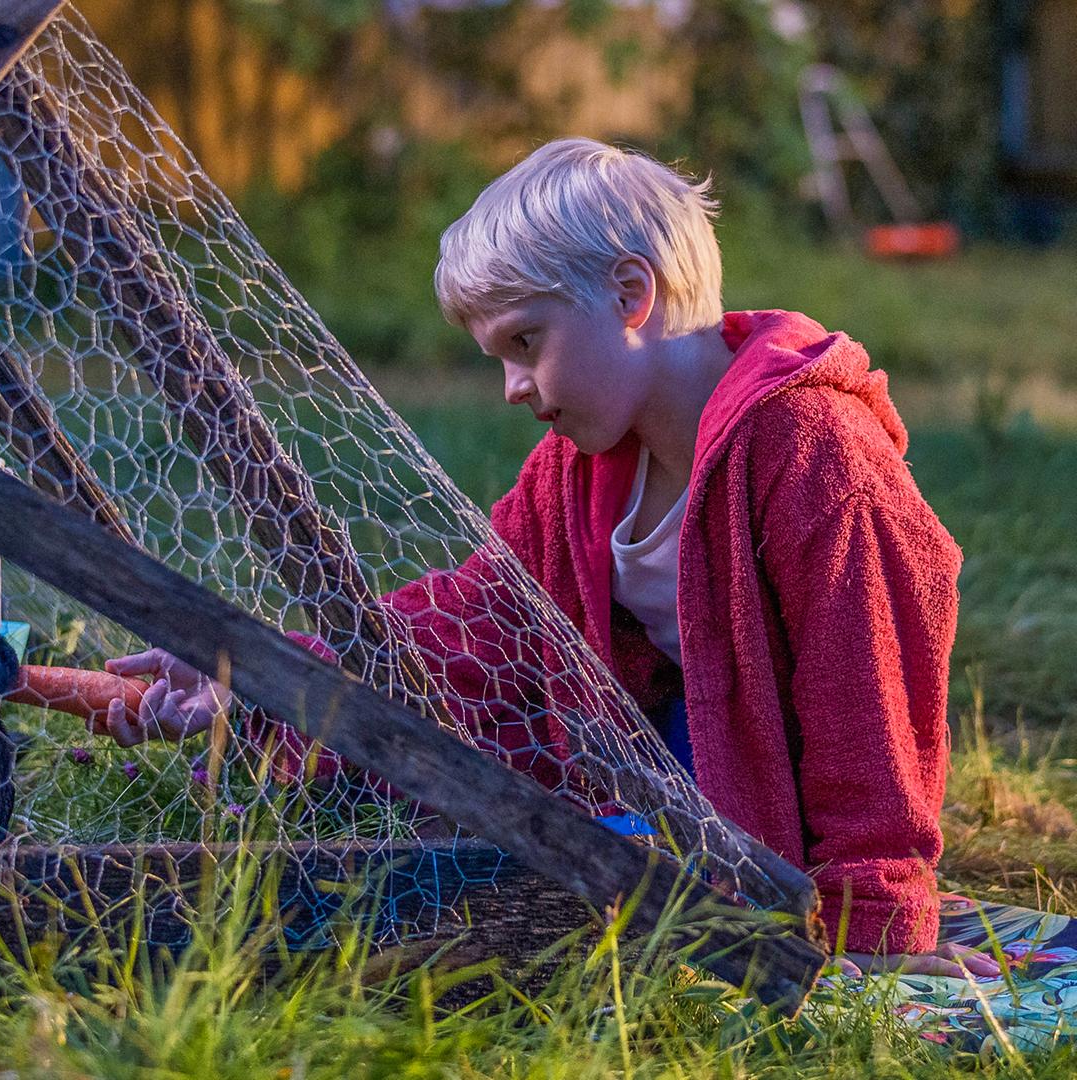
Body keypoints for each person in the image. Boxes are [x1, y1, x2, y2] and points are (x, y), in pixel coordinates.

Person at [90, 137, 1000, 980]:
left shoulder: (811, 449)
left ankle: (650, 873)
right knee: (441, 781)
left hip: (776, 786)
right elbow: (476, 622)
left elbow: (869, 692)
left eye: (525, 343)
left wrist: (870, 922)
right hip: (671, 762)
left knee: (565, 864)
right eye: (497, 357)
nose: (512, 387)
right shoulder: (571, 474)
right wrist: (262, 672)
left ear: (631, 296)